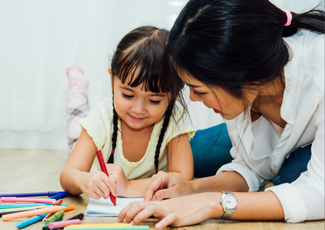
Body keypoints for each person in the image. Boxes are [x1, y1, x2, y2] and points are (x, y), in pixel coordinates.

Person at [117, 0, 324, 228]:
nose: (193, 98)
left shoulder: (319, 71)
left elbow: (318, 192)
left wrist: (212, 203)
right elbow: (251, 168)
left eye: (199, 90)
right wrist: (189, 189)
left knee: (293, 171)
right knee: (188, 155)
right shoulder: (246, 90)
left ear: (241, 76)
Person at [60, 26, 195, 199]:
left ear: (174, 93)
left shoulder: (174, 118)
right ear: (112, 80)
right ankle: (77, 88)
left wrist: (129, 186)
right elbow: (68, 174)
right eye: (128, 95)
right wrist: (82, 179)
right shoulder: (101, 118)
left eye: (154, 100)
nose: (138, 110)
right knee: (75, 130)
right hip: (93, 137)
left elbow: (182, 178)